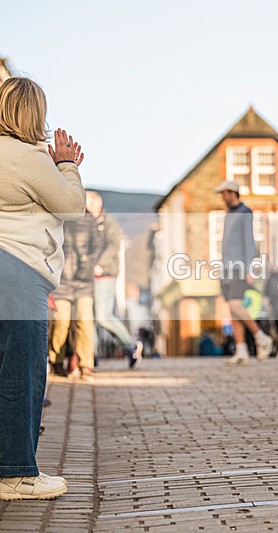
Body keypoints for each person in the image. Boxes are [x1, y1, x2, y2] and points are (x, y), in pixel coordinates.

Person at [0, 77, 85, 500]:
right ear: (34, 114)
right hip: (16, 269)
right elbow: (71, 205)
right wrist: (66, 164)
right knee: (22, 371)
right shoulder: (25, 157)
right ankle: (15, 473)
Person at [214, 180, 273, 365]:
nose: (222, 196)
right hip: (226, 268)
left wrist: (249, 268)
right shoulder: (228, 214)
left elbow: (249, 241)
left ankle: (261, 337)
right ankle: (241, 351)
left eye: (224, 193)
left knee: (236, 305)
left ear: (233, 192)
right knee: (233, 310)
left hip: (239, 267)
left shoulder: (245, 212)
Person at [49, 195, 105, 382]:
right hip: (62, 281)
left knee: (84, 321)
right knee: (61, 322)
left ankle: (86, 365)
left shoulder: (90, 221)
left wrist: (88, 264)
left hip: (84, 281)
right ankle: (56, 361)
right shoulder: (58, 217)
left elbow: (98, 246)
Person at [86, 191, 144, 368]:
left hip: (105, 276)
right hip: (87, 278)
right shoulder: (86, 223)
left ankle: (131, 346)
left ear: (97, 204)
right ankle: (91, 356)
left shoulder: (109, 223)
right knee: (89, 319)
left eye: (88, 204)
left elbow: (113, 246)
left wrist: (100, 265)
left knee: (103, 317)